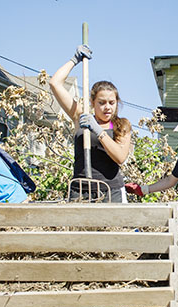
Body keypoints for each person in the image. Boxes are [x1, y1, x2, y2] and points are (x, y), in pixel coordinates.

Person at [49, 45, 132, 203]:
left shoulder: (121, 125)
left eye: (111, 102)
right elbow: (55, 83)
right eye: (101, 102)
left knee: (115, 229)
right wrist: (74, 60)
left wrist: (98, 131)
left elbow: (120, 157)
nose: (107, 107)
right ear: (92, 103)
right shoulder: (80, 117)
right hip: (80, 190)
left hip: (111, 191)